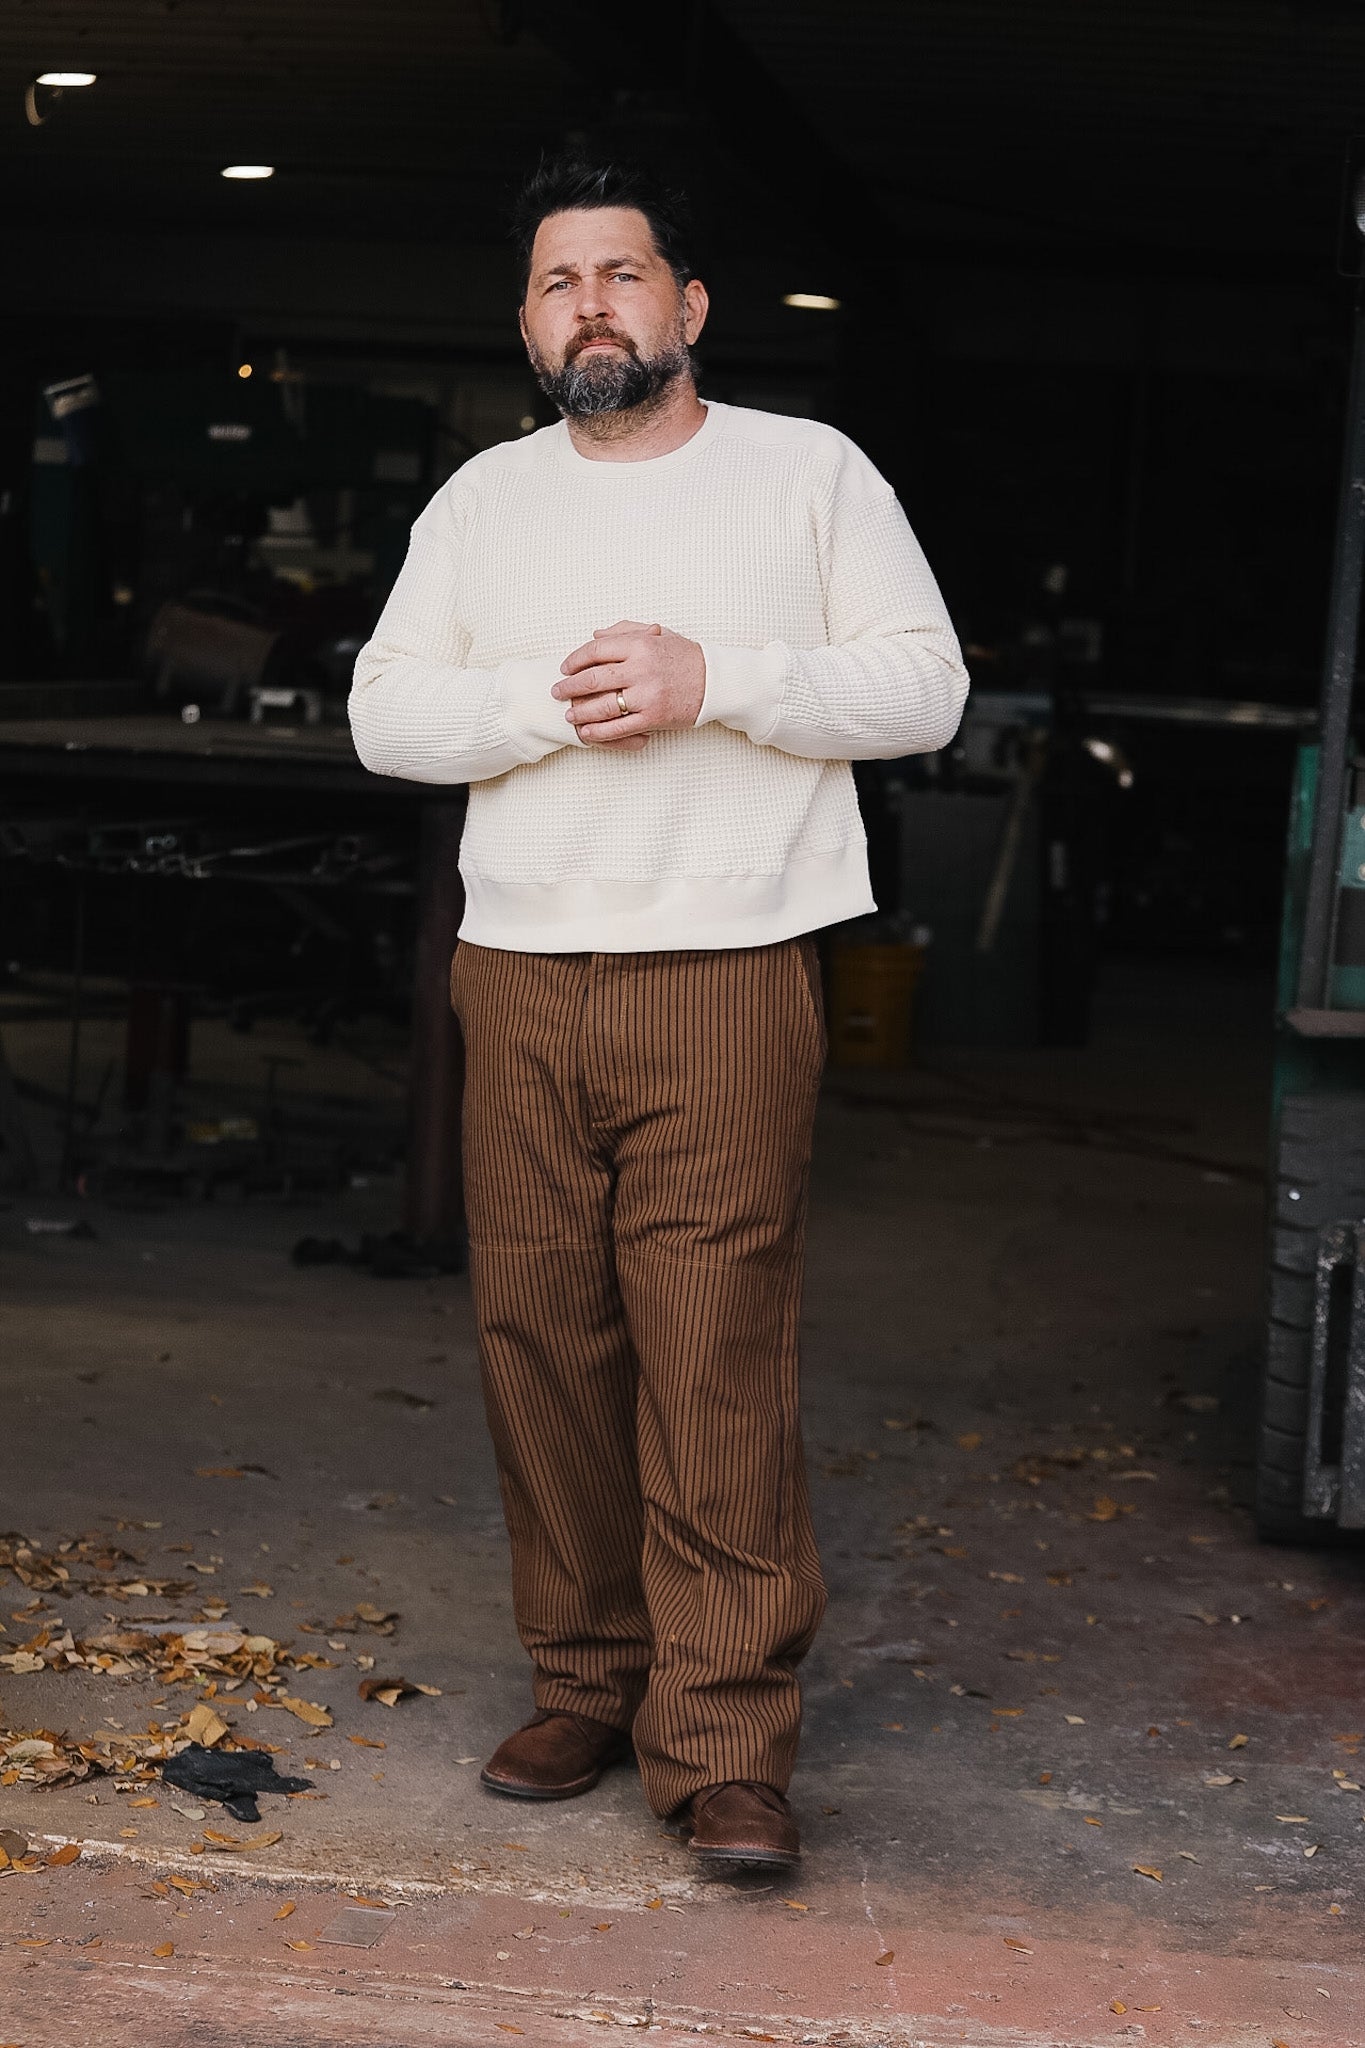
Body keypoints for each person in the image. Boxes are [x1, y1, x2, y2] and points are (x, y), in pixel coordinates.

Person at [349, 156, 968, 1868]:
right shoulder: (484, 501)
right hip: (523, 972)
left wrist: (722, 683)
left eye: (623, 275)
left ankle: (722, 1745)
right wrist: (552, 706)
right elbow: (386, 721)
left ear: (690, 308)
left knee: (712, 1349)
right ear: (530, 322)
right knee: (539, 1336)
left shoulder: (807, 475)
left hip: (728, 968)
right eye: (559, 282)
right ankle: (588, 1676)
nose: (591, 305)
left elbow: (927, 687)